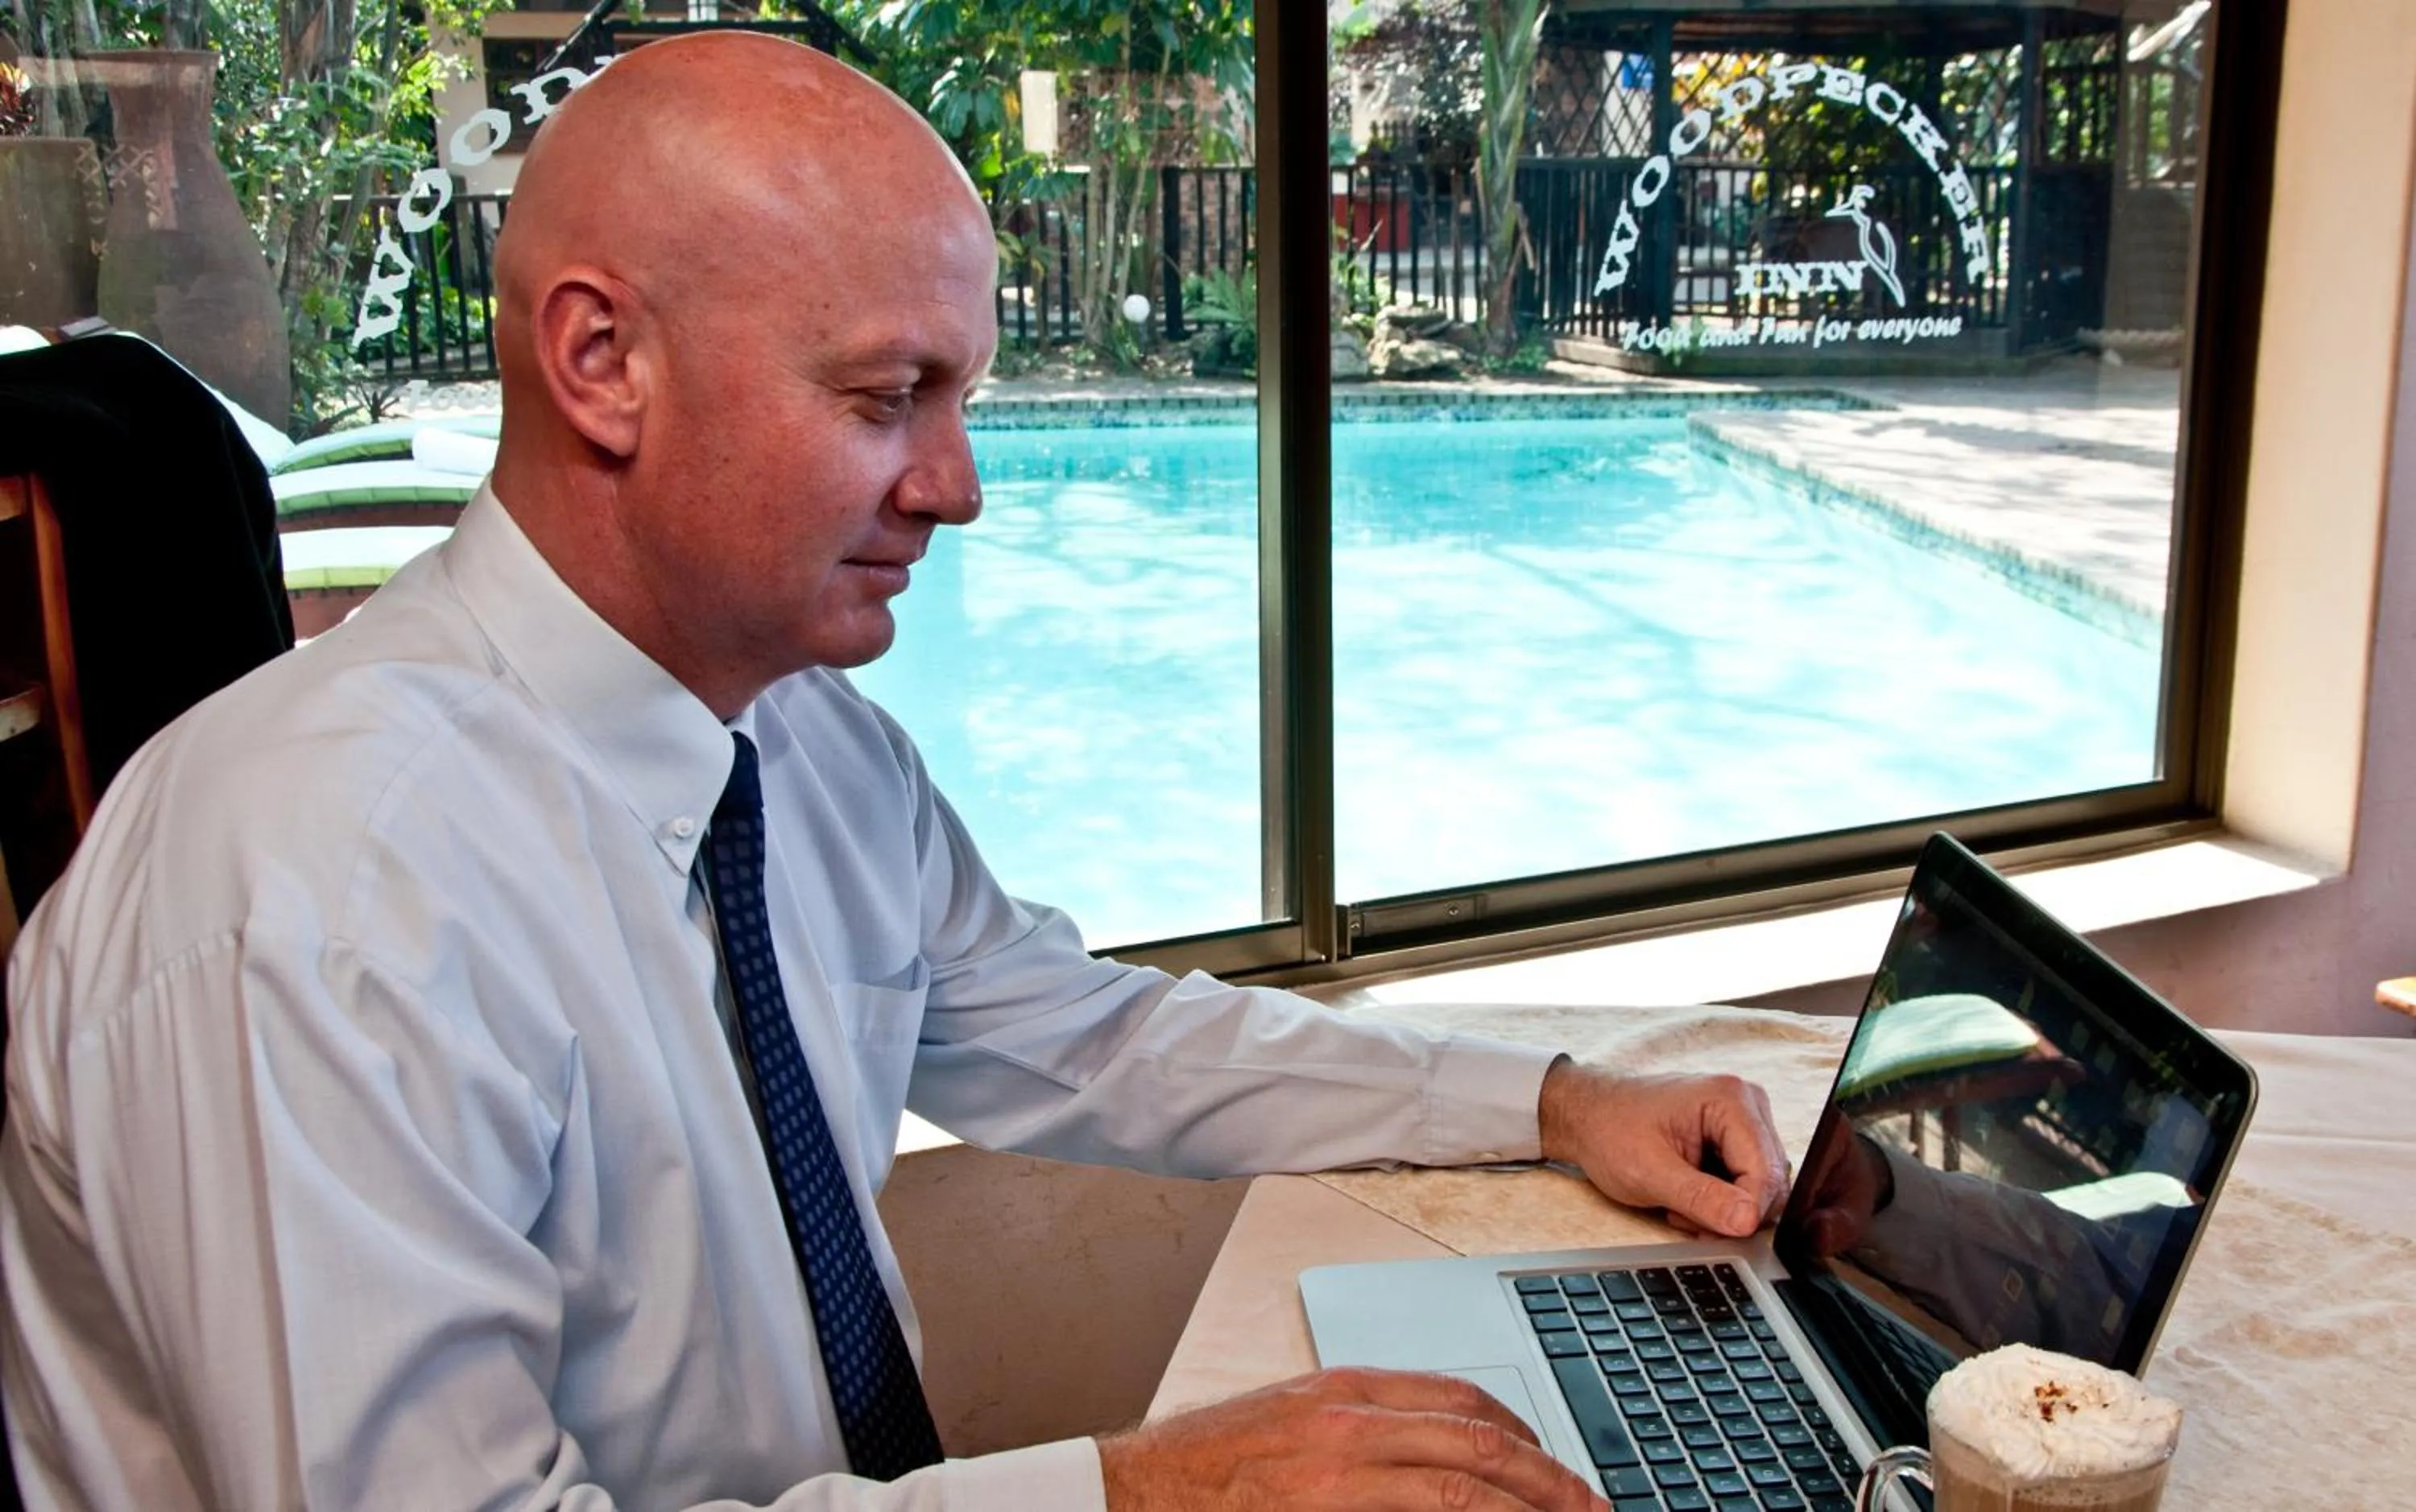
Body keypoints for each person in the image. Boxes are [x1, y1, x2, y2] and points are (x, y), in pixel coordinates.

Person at [0, 34, 1790, 1512]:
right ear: (601, 362)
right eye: (886, 400)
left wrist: (1546, 1098)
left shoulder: (797, 749)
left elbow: (1092, 1038)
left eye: (963, 399)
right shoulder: (305, 904)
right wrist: (1145, 1494)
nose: (959, 485)